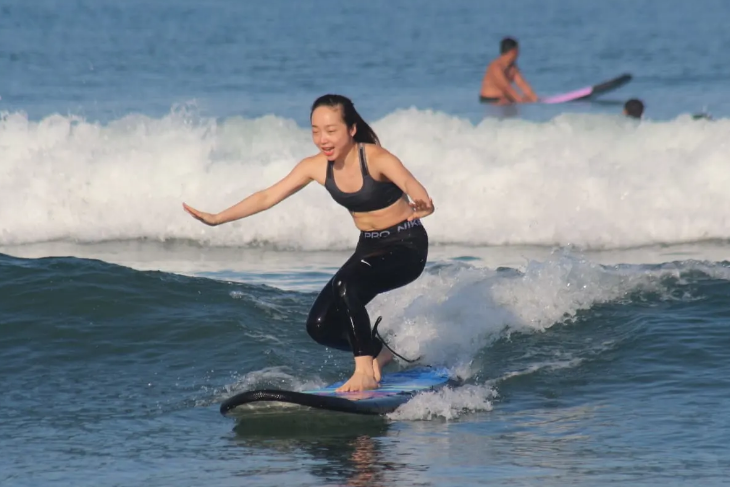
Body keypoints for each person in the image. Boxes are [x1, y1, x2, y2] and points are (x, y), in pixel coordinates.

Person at [183, 94, 435, 392]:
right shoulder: (315, 167)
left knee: (346, 287)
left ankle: (364, 371)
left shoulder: (376, 158)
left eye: (331, 130)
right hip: (369, 247)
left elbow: (410, 183)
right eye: (316, 131)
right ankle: (379, 353)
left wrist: (423, 201)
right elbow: (267, 196)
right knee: (319, 325)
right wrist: (217, 218)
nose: (322, 139)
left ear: (351, 129)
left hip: (406, 245)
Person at [479, 37, 539, 104]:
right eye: (518, 50)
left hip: (504, 99)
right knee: (516, 102)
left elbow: (522, 83)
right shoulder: (496, 67)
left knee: (527, 99)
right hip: (489, 100)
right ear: (513, 51)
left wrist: (535, 98)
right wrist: (520, 100)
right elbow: (506, 87)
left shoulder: (512, 67)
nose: (519, 54)